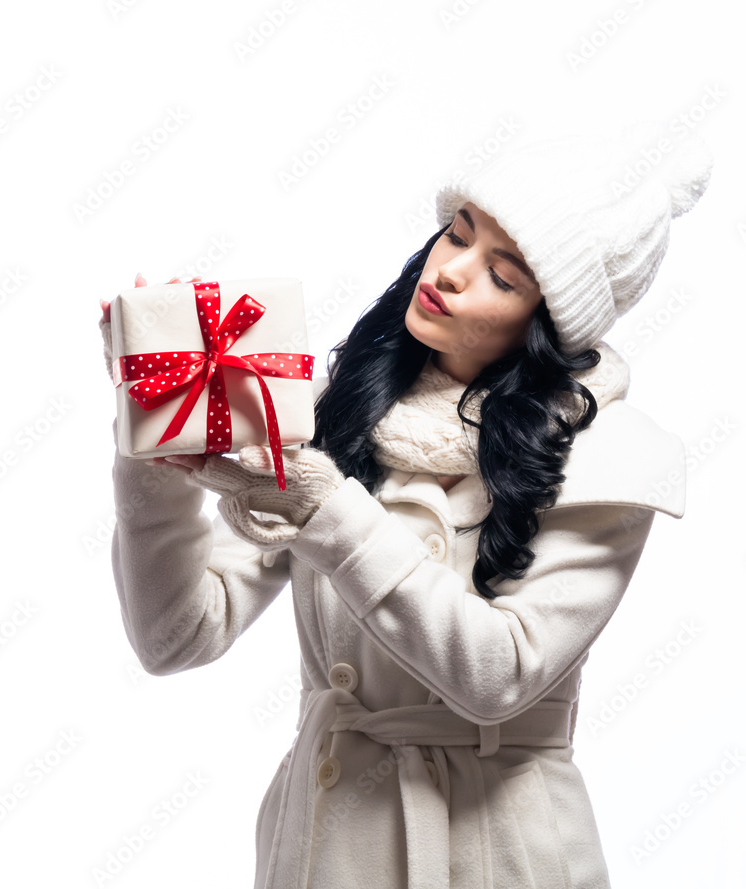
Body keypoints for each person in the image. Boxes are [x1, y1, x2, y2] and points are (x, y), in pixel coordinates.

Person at [99, 122, 713, 889]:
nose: (451, 270)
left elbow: (500, 676)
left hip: (494, 852)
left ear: (548, 322)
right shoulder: (337, 411)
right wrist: (153, 446)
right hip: (326, 843)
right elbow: (177, 637)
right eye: (457, 233)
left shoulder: (611, 458)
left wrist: (330, 514)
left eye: (503, 273)